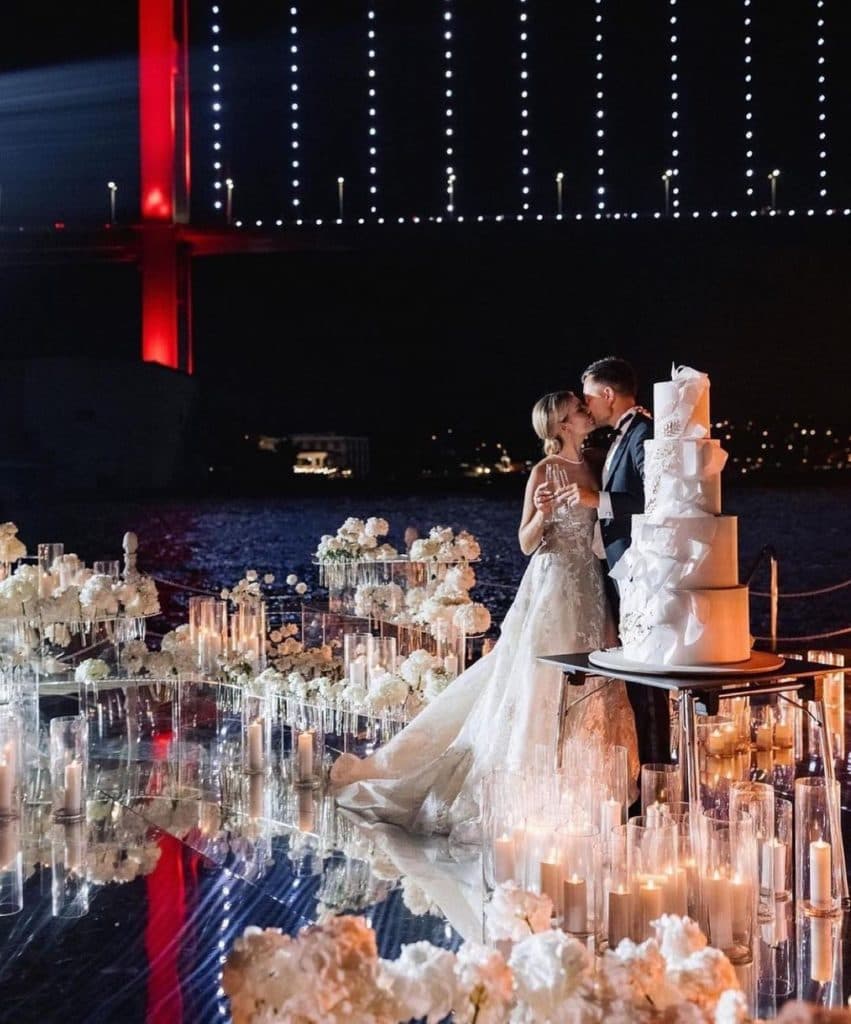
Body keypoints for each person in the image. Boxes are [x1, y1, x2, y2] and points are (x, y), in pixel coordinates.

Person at [330, 390, 638, 837]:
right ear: (560, 426)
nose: (586, 413)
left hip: (591, 588)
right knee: (541, 681)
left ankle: (585, 785)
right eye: (577, 411)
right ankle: (530, 786)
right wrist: (546, 515)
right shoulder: (543, 471)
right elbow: (526, 542)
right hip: (554, 587)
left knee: (591, 683)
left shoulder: (594, 463)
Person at [565, 356, 671, 767]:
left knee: (646, 682)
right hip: (619, 568)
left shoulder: (644, 433)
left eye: (590, 396)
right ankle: (649, 772)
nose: (587, 405)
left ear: (608, 394)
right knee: (636, 679)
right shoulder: (621, 436)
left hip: (636, 570)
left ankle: (657, 775)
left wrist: (599, 501)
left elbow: (658, 499)